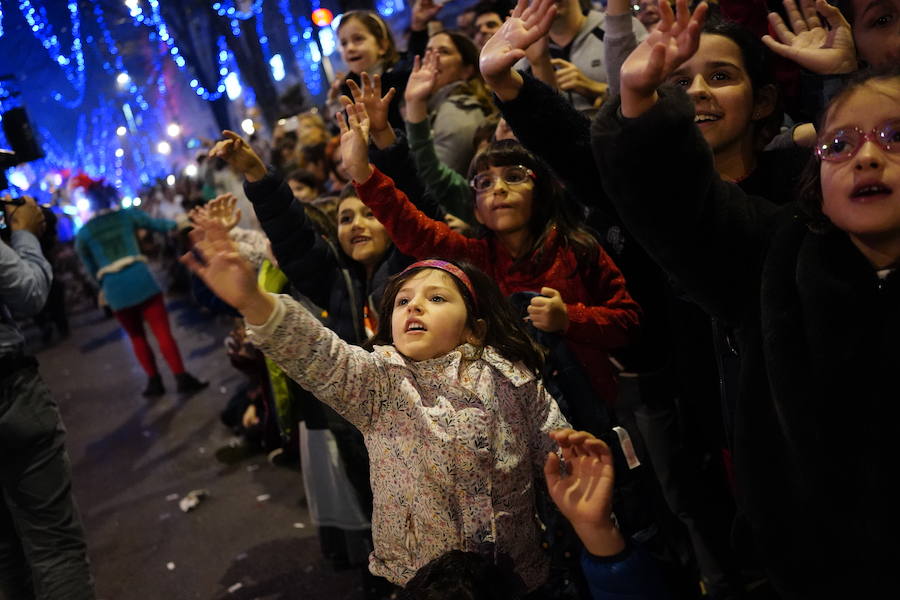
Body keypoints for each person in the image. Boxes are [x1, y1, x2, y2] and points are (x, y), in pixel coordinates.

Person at [593, 0, 900, 595]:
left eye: (894, 137)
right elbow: (682, 208)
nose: (865, 154)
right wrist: (638, 101)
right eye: (838, 144)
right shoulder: (779, 257)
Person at [183, 244, 571, 591]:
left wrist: (577, 477)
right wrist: (255, 301)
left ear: (474, 329)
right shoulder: (381, 382)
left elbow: (554, 448)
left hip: (515, 571)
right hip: (425, 578)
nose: (414, 306)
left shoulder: (512, 376)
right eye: (402, 301)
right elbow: (320, 354)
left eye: (436, 298)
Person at [338, 100, 641, 415]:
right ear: (477, 210)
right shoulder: (473, 258)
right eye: (484, 183)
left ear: (542, 193)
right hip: (515, 417)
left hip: (593, 409)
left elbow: (629, 322)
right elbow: (414, 228)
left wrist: (568, 318)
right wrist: (362, 172)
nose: (498, 189)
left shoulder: (579, 249)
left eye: (513, 176)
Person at [0, 196, 95, 600]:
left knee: (4, 551)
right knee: (54, 547)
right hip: (8, 392)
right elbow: (29, 292)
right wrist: (23, 235)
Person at [74, 192, 207, 397]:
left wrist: (103, 285)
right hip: (141, 280)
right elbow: (158, 225)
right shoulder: (126, 216)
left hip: (115, 289)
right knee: (162, 332)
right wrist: (180, 223)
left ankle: (154, 382)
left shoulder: (84, 233)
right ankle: (181, 377)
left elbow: (90, 268)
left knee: (136, 337)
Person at [516, 0, 647, 113]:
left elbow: (652, 95)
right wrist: (540, 64)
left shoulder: (623, 30)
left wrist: (597, 89)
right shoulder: (525, 52)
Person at [403, 31, 496, 175]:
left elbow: (433, 184)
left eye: (443, 52)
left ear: (466, 70)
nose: (432, 58)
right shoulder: (437, 105)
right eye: (428, 51)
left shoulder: (458, 112)